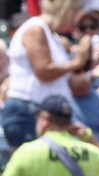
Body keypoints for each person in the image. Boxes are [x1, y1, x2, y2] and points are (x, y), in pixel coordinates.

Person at [2, 0, 88, 148]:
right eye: (74, 11)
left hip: (43, 112)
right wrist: (77, 62)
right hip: (29, 111)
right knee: (31, 167)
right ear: (64, 10)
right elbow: (43, 71)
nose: (76, 17)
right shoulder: (36, 29)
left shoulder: (50, 34)